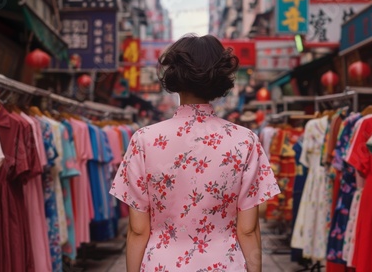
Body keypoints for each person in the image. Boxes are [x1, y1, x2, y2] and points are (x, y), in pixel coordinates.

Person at [109, 34, 281, 272]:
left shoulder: (144, 140)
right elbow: (248, 229)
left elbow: (138, 229)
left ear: (174, 76)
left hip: (161, 264)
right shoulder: (245, 141)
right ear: (220, 79)